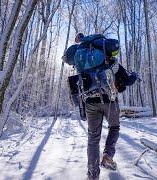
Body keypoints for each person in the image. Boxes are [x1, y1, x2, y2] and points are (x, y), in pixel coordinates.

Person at [65, 33, 138, 180]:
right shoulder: (111, 62)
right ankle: (107, 155)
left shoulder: (81, 62)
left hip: (90, 102)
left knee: (93, 139)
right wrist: (134, 76)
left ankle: (93, 176)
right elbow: (128, 81)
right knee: (114, 127)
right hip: (110, 101)